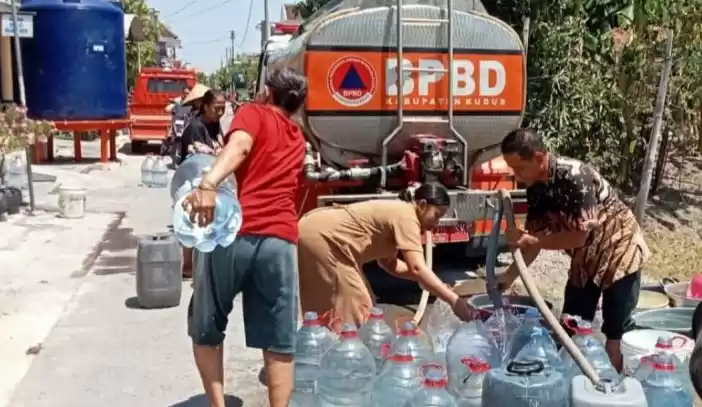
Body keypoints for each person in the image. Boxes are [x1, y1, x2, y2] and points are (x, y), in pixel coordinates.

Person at [181, 67, 307, 407]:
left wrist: (208, 183)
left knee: (206, 325)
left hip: (235, 233)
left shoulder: (254, 113)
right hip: (280, 241)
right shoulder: (298, 138)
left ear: (267, 92)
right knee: (279, 341)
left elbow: (240, 146)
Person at [497, 128, 649, 371]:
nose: (516, 175)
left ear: (539, 157)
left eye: (520, 168)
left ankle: (613, 384)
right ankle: (571, 381)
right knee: (570, 327)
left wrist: (534, 241)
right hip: (585, 260)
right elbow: (533, 242)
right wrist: (507, 278)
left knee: (614, 333)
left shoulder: (575, 177)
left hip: (619, 251)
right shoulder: (536, 188)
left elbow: (578, 237)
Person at [297, 182, 474, 330]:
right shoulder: (407, 216)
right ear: (422, 205)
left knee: (336, 306)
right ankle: (347, 354)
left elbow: (389, 264)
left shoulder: (401, 213)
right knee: (357, 309)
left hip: (314, 231)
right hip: (325, 238)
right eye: (436, 215)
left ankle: (325, 347)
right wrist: (453, 300)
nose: (436, 223)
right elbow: (417, 267)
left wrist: (434, 284)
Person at [179, 90, 225, 164]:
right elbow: (203, 157)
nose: (221, 112)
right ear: (206, 107)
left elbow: (222, 143)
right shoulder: (196, 127)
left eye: (223, 108)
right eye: (217, 108)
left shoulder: (215, 122)